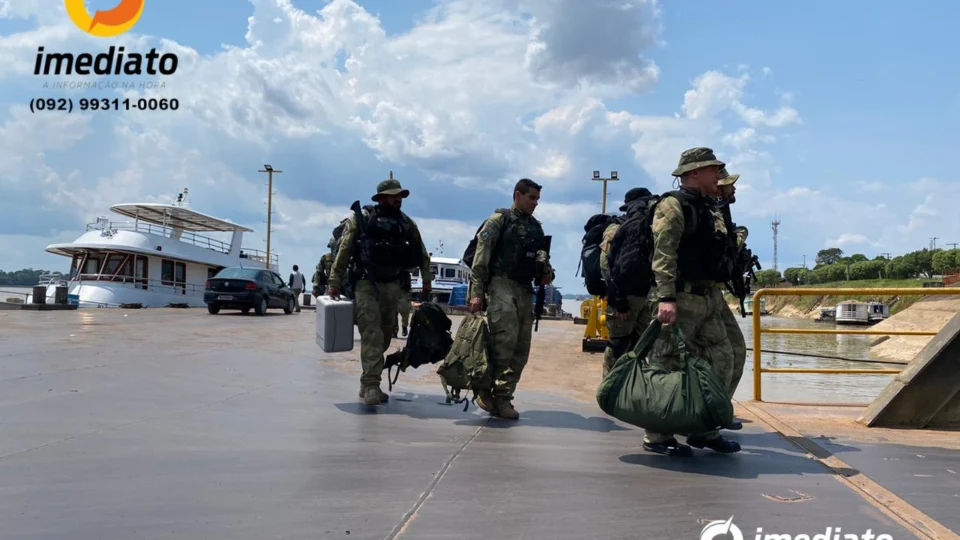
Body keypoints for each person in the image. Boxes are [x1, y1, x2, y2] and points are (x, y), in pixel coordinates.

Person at [642, 147, 741, 456]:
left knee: (724, 358)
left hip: (709, 296)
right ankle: (657, 435)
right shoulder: (673, 206)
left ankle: (703, 429)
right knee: (666, 363)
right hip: (680, 297)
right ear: (694, 173)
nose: (719, 174)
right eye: (713, 169)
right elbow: (664, 254)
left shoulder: (710, 207)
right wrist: (666, 298)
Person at [326, 174, 433, 406]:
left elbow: (421, 252)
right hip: (366, 284)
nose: (399, 200)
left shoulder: (406, 223)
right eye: (394, 196)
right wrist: (334, 283)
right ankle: (370, 385)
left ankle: (371, 381)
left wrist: (427, 280)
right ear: (382, 198)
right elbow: (344, 250)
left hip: (393, 285)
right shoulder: (363, 219)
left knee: (386, 334)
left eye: (401, 196)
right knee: (372, 334)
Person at [467, 178, 554, 420]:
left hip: (525, 290)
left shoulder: (536, 228)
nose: (535, 203)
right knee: (502, 342)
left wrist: (546, 272)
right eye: (531, 198)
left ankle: (504, 397)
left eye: (537, 199)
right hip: (500, 284)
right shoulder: (498, 222)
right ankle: (485, 390)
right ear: (517, 195)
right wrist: (476, 294)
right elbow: (480, 260)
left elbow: (545, 264)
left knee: (520, 349)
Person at [600, 187, 655, 377]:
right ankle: (609, 390)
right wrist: (619, 298)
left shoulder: (649, 226)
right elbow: (607, 265)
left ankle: (630, 391)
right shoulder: (619, 228)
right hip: (624, 297)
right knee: (618, 344)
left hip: (645, 296)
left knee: (640, 345)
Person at [715, 167, 749, 403]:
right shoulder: (713, 213)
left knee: (734, 352)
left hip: (709, 293)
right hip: (697, 295)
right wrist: (740, 235)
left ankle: (714, 411)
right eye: (729, 184)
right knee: (732, 352)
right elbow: (720, 250)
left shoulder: (718, 212)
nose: (734, 188)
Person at [394, 270, 412, 338]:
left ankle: (404, 326)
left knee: (404, 309)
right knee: (392, 311)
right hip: (391, 284)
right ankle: (394, 331)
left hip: (403, 288)